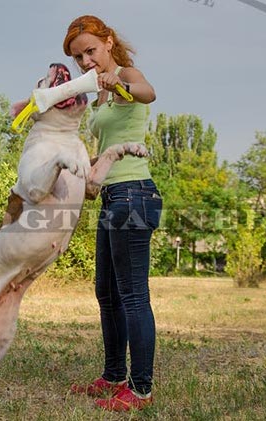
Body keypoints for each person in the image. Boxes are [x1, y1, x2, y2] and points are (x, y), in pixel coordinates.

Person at [63, 15, 163, 412]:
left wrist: (118, 83)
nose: (85, 61)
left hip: (134, 195)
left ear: (107, 42)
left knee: (134, 296)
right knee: (106, 292)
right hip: (112, 196)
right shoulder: (98, 93)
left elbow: (148, 93)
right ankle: (113, 376)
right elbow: (112, 145)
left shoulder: (124, 76)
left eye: (90, 51)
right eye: (78, 57)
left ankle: (140, 389)